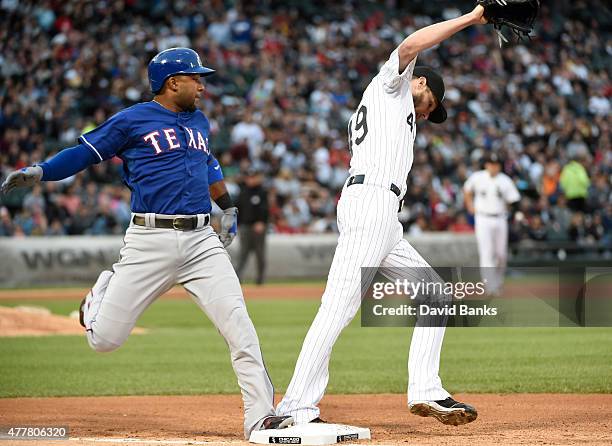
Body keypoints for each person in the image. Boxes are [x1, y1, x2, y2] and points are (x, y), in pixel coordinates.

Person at [1, 47, 292, 439]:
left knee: (240, 328)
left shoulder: (199, 121)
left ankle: (260, 416)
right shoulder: (132, 120)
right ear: (173, 82)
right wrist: (41, 171)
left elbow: (209, 165)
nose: (202, 85)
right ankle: (97, 296)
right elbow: (84, 153)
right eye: (195, 78)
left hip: (202, 241)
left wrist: (227, 206)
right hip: (149, 239)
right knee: (104, 341)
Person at [276, 6, 489, 428]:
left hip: (386, 215)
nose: (431, 112)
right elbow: (411, 44)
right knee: (338, 306)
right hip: (369, 200)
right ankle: (294, 407)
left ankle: (426, 389)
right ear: (420, 81)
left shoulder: (402, 114)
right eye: (433, 102)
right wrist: (474, 17)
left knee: (435, 293)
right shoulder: (391, 86)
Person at [464, 153, 520, 296]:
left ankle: (498, 281)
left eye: (495, 164)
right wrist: (470, 205)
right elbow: (467, 190)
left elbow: (514, 200)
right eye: (490, 163)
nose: (493, 166)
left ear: (499, 166)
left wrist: (513, 211)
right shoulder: (478, 177)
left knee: (501, 254)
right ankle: (490, 286)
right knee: (486, 252)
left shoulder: (505, 180)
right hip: (483, 218)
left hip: (500, 217)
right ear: (486, 164)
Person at [236, 167, 269, 285]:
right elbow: (237, 208)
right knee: (242, 254)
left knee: (260, 254)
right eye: (249, 177)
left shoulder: (262, 192)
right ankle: (237, 279)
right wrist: (238, 224)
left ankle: (260, 280)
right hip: (245, 227)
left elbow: (266, 210)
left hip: (258, 227)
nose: (251, 179)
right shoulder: (243, 192)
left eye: (253, 177)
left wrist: (262, 222)